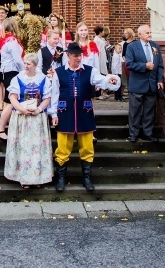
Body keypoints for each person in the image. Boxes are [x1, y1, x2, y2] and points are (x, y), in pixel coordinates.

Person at [51, 42, 120, 192]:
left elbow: (101, 80)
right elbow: (54, 95)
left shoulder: (90, 71)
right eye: (75, 56)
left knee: (87, 147)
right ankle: (61, 178)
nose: (78, 58)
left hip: (84, 113)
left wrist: (110, 80)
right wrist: (54, 114)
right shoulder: (59, 72)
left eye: (80, 55)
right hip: (65, 113)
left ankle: (87, 177)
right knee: (62, 148)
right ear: (68, 56)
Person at [4, 53, 54, 187]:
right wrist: (21, 109)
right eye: (25, 63)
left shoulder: (43, 79)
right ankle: (23, 178)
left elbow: (47, 98)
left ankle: (38, 178)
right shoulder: (18, 78)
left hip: (37, 118)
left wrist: (38, 110)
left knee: (36, 147)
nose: (26, 66)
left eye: (29, 64)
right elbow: (13, 97)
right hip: (22, 117)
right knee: (23, 147)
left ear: (35, 65)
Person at [125, 24, 164, 143]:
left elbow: (160, 65)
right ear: (140, 34)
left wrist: (159, 80)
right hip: (137, 84)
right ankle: (133, 134)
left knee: (149, 111)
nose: (150, 34)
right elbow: (129, 64)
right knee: (135, 111)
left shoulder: (155, 46)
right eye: (147, 32)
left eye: (150, 32)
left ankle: (148, 133)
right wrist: (144, 66)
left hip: (151, 84)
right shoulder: (132, 47)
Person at [0, 18, 25, 141]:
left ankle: (6, 128)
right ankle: (0, 130)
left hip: (6, 72)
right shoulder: (12, 41)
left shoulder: (5, 40)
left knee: (8, 101)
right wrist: (24, 71)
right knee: (12, 101)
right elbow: (17, 59)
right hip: (12, 72)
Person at [93, 25, 111, 99]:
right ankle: (98, 93)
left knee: (103, 74)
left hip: (103, 58)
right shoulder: (96, 40)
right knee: (99, 74)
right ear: (100, 32)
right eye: (103, 31)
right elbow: (97, 50)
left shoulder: (101, 39)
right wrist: (103, 46)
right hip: (99, 59)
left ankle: (102, 92)